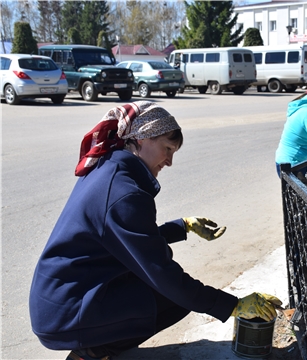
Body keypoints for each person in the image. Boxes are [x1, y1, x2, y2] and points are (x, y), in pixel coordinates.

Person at [29, 101, 282, 360]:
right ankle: (90, 353)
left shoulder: (109, 168)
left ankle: (100, 343)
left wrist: (181, 226)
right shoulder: (124, 193)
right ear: (141, 138)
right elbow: (160, 271)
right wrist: (232, 305)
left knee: (168, 294)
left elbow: (126, 241)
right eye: (167, 148)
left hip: (61, 300)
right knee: (173, 297)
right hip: (67, 312)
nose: (170, 161)